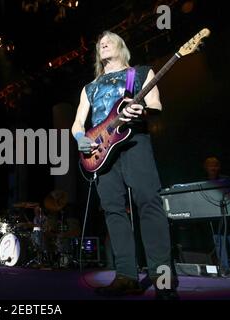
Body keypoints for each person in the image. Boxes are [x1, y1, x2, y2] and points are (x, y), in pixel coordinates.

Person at [71, 31, 178, 299]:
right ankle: (126, 276)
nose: (102, 43)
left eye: (109, 40)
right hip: (102, 152)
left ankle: (162, 278)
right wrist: (81, 139)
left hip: (134, 142)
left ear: (121, 46)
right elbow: (77, 124)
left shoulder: (140, 73)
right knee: (113, 212)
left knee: (149, 204)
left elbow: (156, 104)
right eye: (99, 42)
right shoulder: (90, 87)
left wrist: (141, 110)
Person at [204, 157, 230, 277]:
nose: (213, 168)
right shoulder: (204, 183)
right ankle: (225, 269)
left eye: (215, 165)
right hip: (216, 219)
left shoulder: (227, 180)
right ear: (206, 167)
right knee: (219, 243)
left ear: (219, 167)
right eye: (210, 165)